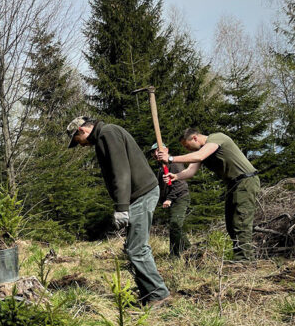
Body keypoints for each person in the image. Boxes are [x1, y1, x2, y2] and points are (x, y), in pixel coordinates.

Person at [67, 116, 170, 305]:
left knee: (137, 249)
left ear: (81, 130)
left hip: (142, 194)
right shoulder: (105, 135)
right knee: (134, 247)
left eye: (77, 140)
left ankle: (159, 296)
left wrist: (122, 208)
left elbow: (121, 171)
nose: (80, 145)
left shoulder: (108, 134)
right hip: (138, 196)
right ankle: (148, 294)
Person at [156, 129, 260, 262]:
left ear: (195, 138)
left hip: (245, 181)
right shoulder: (201, 151)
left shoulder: (216, 138)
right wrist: (176, 176)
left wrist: (170, 158)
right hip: (233, 184)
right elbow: (190, 170)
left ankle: (244, 260)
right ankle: (241, 257)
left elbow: (199, 156)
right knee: (231, 224)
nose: (187, 149)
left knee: (241, 221)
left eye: (187, 146)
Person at [151, 143, 190, 258]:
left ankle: (174, 256)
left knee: (175, 225)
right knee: (175, 226)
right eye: (153, 152)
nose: (155, 154)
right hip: (172, 200)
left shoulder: (174, 164)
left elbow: (180, 185)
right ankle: (189, 249)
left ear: (166, 150)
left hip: (179, 198)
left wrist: (169, 199)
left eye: (158, 150)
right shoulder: (161, 167)